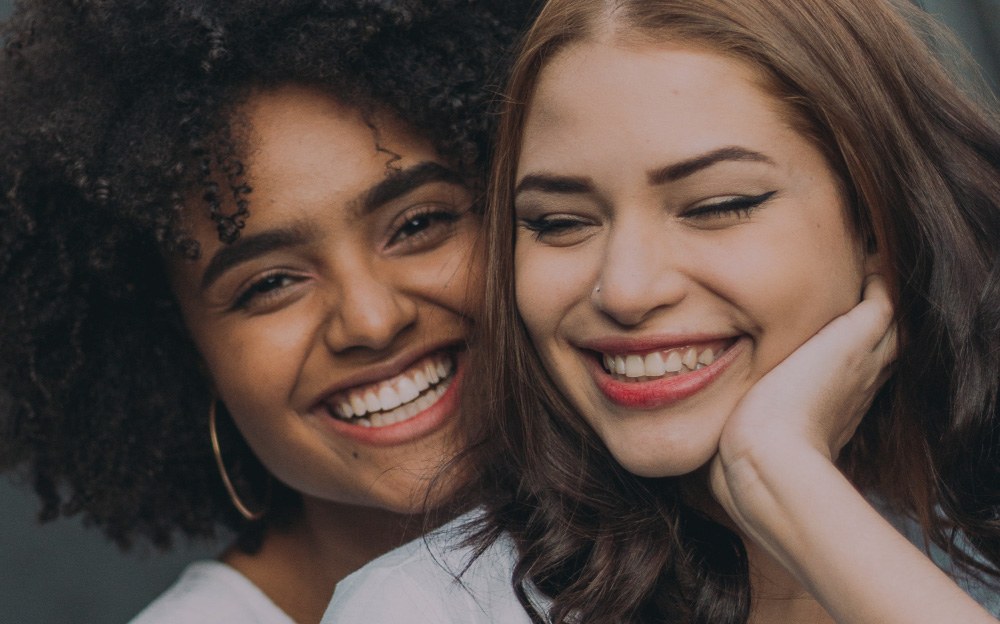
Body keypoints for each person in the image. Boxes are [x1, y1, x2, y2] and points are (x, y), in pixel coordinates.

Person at [323, 0, 1000, 622]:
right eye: (558, 222)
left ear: (877, 225)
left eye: (717, 206)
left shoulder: (971, 540)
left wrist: (784, 477)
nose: (624, 289)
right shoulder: (420, 609)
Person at [0, 1, 532, 622]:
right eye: (271, 283)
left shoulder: (662, 546)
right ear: (185, 354)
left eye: (418, 224)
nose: (371, 321)